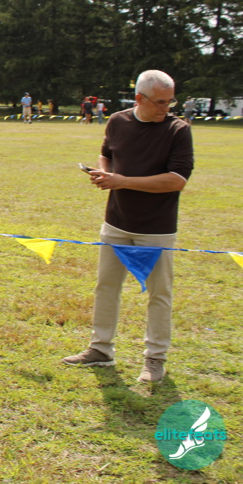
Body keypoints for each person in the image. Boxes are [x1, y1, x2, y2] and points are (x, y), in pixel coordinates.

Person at [63, 70, 193, 383]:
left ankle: (155, 358)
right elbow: (106, 154)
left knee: (159, 294)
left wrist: (122, 181)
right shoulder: (117, 121)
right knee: (106, 287)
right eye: (160, 102)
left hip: (157, 228)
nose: (166, 107)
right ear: (139, 99)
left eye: (170, 101)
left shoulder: (178, 130)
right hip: (116, 223)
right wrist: (104, 174)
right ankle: (100, 349)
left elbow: (177, 180)